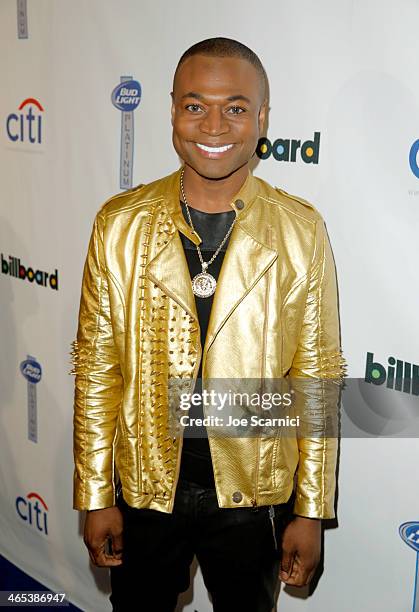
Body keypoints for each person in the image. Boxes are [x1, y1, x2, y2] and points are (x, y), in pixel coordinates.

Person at [71, 37, 346, 612]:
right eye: (195, 106)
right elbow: (98, 367)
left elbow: (316, 372)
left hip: (256, 496)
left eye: (236, 108)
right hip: (145, 487)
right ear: (172, 110)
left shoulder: (301, 230)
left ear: (263, 117)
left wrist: (311, 509)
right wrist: (96, 493)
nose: (214, 125)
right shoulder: (118, 226)